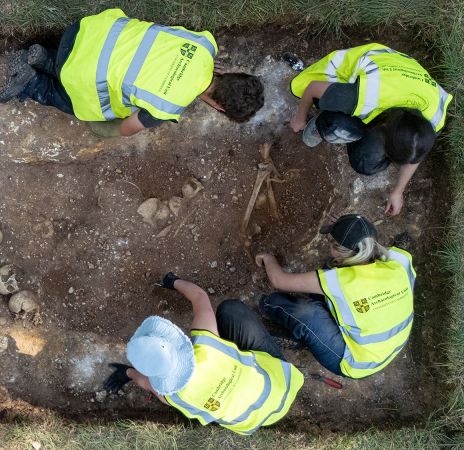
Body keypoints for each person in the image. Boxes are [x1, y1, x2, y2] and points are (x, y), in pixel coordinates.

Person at [0, 8, 265, 137]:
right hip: (77, 69)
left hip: (84, 30)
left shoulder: (205, 45)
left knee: (107, 64)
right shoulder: (167, 107)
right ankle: (32, 82)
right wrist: (107, 129)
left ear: (231, 73)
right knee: (91, 106)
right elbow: (126, 128)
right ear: (218, 108)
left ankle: (45, 57)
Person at [103, 273, 303, 435]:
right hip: (282, 383)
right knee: (231, 310)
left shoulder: (174, 396)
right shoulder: (205, 346)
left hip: (249, 422)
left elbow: (145, 382)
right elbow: (199, 296)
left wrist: (126, 373)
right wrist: (172, 281)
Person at [289, 43, 452, 216]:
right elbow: (313, 88)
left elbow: (416, 150)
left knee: (365, 163)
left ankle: (359, 127)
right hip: (362, 74)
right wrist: (300, 118)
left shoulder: (433, 119)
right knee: (338, 127)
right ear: (384, 128)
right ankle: (322, 123)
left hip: (397, 89)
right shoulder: (363, 96)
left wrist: (398, 191)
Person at [256, 214, 415, 379]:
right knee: (329, 272)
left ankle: (266, 305)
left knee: (305, 312)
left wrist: (268, 258)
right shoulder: (399, 262)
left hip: (356, 363)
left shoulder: (342, 281)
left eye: (331, 243)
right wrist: (348, 227)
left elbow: (279, 281)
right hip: (389, 347)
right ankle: (318, 333)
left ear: (339, 250)